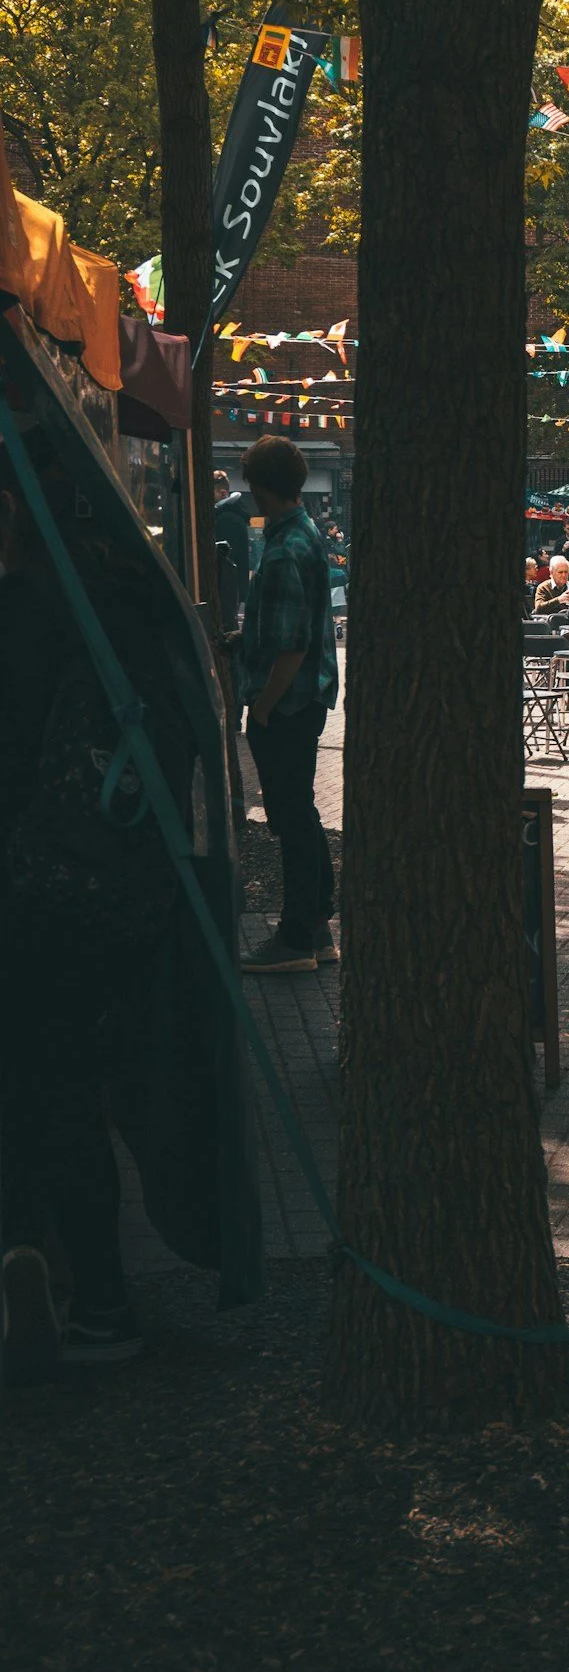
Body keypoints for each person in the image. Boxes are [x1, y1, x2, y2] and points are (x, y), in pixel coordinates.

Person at [0, 439, 193, 1371]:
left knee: (46, 1087)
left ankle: (66, 1279)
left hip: (34, 893)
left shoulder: (20, 618)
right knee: (81, 1083)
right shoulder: (128, 603)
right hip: (127, 894)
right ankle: (87, 1288)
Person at [236, 436, 342, 974]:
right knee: (300, 811)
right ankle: (317, 924)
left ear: (258, 486)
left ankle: (298, 934)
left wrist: (263, 706)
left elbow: (292, 645)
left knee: (289, 816)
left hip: (288, 702)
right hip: (307, 698)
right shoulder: (305, 534)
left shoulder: (282, 549)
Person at [212, 467, 253, 638]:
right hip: (232, 586)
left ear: (222, 493)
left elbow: (226, 558)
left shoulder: (226, 519)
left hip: (226, 586)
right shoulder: (233, 516)